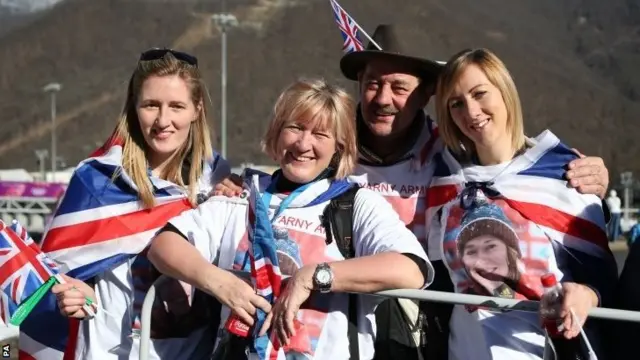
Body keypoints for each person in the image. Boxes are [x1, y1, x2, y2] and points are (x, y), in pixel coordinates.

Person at [213, 24, 612, 359]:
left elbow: (513, 170)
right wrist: (240, 187)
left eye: (399, 88)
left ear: (424, 97)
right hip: (340, 319)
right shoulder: (332, 149)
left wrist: (588, 179)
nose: (383, 99)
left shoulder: (448, 153)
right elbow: (285, 177)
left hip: (431, 326)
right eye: (373, 85)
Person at [147, 78, 433, 359]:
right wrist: (217, 281)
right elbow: (164, 245)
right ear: (276, 132)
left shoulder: (356, 204)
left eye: (321, 134)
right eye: (294, 127)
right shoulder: (243, 196)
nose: (303, 144)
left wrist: (314, 276)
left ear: (339, 146)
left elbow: (412, 269)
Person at [19, 48, 230, 360]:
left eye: (176, 106)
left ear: (196, 109)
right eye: (150, 105)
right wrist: (80, 296)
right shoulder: (97, 180)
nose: (163, 120)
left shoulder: (217, 179)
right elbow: (49, 278)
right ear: (134, 107)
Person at [429, 48, 618, 360]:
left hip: (546, 350)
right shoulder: (444, 178)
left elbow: (603, 280)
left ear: (505, 91)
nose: (471, 111)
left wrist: (586, 296)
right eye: (456, 103)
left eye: (480, 94)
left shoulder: (563, 171)